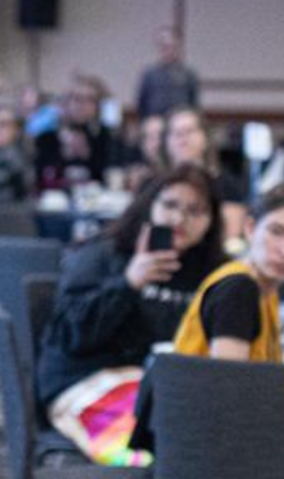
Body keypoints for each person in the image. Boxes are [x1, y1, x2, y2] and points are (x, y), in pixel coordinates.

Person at [37, 165, 226, 466]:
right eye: (170, 205)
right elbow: (72, 336)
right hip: (87, 379)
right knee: (164, 450)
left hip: (166, 390)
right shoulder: (104, 253)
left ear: (211, 222)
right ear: (149, 204)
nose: (179, 219)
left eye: (195, 211)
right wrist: (128, 283)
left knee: (222, 442)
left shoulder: (214, 272)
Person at [174, 183, 284, 363]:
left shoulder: (267, 289)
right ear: (250, 228)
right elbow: (229, 386)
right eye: (276, 232)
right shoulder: (238, 289)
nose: (283, 250)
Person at [161, 106, 247, 247]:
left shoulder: (226, 184)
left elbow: (231, 236)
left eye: (189, 131)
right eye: (175, 133)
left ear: (205, 138)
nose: (182, 139)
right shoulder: (154, 184)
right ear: (166, 142)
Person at [35, 73, 119, 191]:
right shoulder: (47, 137)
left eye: (90, 100)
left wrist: (88, 152)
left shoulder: (105, 137)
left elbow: (109, 176)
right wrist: (62, 152)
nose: (83, 105)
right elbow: (40, 179)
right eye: (77, 99)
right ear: (65, 103)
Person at [136, 25, 200, 119]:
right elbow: (141, 103)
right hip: (155, 123)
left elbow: (193, 103)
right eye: (164, 46)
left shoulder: (189, 74)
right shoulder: (149, 74)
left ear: (178, 47)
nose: (168, 50)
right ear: (159, 47)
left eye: (172, 46)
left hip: (180, 123)